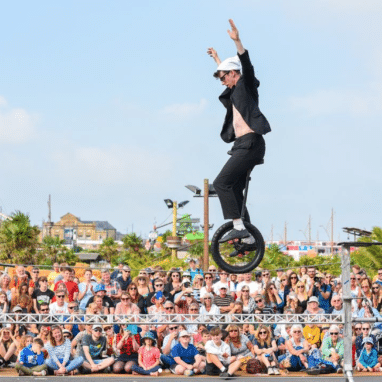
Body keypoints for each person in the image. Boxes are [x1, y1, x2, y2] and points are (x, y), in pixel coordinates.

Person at [208, 19, 270, 245]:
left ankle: (238, 227)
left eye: (224, 77)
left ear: (234, 73)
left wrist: (237, 42)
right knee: (233, 187)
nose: (222, 82)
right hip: (241, 145)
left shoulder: (247, 85)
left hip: (251, 143)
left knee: (221, 183)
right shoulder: (233, 92)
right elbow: (226, 75)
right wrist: (217, 61)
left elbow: (246, 65)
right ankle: (249, 240)